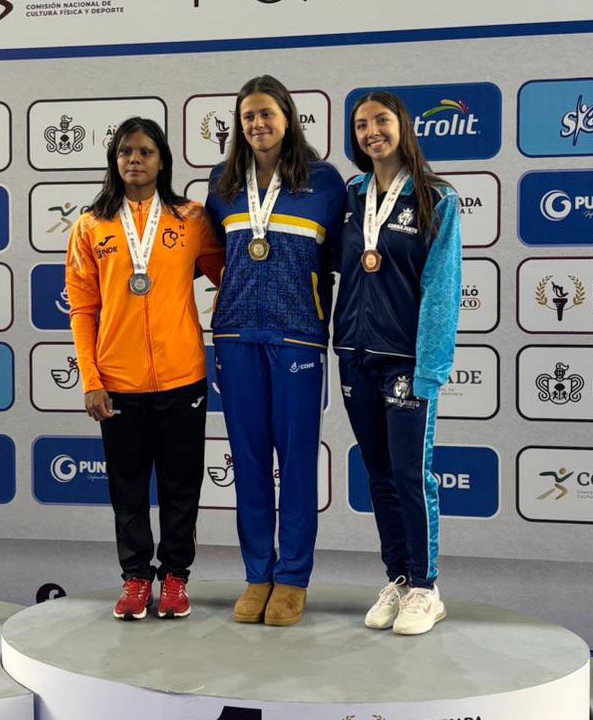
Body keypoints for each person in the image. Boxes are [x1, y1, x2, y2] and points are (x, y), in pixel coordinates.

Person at [65, 117, 224, 621]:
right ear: (114, 160)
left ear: (162, 161)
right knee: (127, 489)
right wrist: (91, 380)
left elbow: (227, 274)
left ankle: (175, 577)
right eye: (125, 151)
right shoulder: (91, 225)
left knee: (182, 486)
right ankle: (135, 579)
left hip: (183, 378)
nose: (135, 159)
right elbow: (82, 309)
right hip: (118, 383)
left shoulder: (191, 218)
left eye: (146, 152)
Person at [206, 75, 346, 627]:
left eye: (267, 113)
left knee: (297, 463)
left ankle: (292, 579)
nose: (258, 124)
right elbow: (215, 256)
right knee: (248, 463)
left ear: (287, 117)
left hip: (298, 336)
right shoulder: (222, 183)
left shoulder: (324, 181)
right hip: (236, 335)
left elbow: (338, 258)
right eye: (248, 116)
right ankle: (257, 574)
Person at [333, 91, 461, 635]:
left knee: (410, 474)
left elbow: (442, 288)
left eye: (381, 121)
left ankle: (427, 588)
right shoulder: (351, 194)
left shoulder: (436, 198)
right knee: (379, 474)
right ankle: (399, 579)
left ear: (402, 127)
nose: (371, 132)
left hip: (407, 360)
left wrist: (431, 366)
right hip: (355, 355)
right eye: (361, 124)